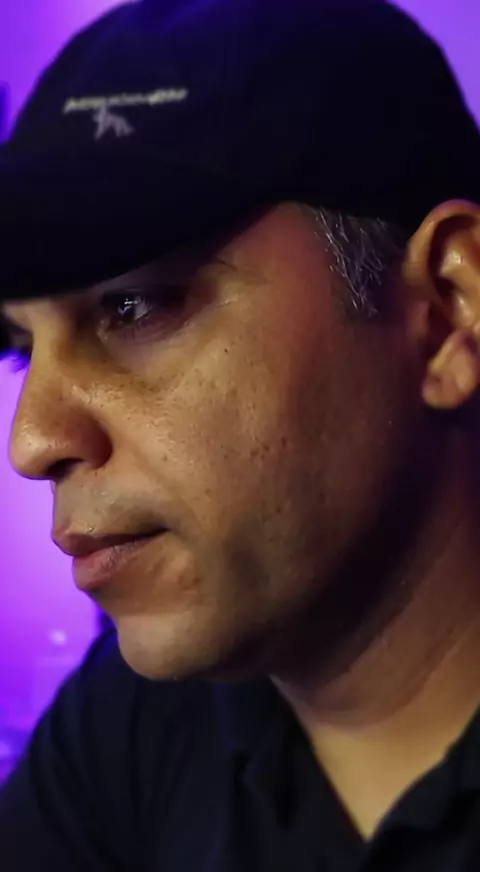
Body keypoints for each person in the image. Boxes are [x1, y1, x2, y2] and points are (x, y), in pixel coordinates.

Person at [1, 0, 480, 867]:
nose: (32, 442)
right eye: (20, 349)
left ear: (448, 313)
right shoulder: (128, 725)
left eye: (134, 306)